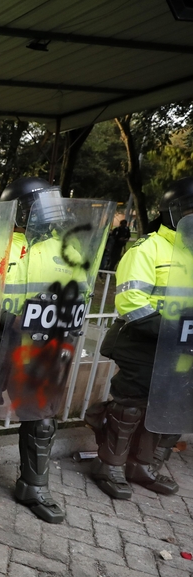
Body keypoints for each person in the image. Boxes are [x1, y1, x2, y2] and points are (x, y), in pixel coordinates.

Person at [0, 177, 110, 523]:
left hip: (38, 345)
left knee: (41, 418)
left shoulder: (67, 250)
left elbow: (80, 295)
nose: (51, 214)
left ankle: (34, 485)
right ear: (22, 209)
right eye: (43, 206)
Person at [85, 177, 193, 499]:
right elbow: (132, 302)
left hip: (182, 347)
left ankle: (142, 465)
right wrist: (173, 330)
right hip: (144, 341)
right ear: (174, 212)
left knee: (168, 406)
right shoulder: (148, 249)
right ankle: (110, 465)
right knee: (131, 404)